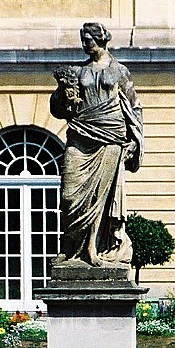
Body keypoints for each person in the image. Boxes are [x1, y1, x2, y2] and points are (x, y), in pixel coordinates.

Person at [50, 22, 144, 268]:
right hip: (80, 137)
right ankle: (70, 249)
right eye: (82, 39)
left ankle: (92, 248)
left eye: (89, 39)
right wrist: (62, 92)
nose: (84, 44)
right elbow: (59, 110)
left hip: (110, 138)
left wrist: (134, 140)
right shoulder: (76, 72)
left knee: (99, 198)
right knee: (69, 196)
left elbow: (133, 107)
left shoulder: (119, 72)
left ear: (101, 39)